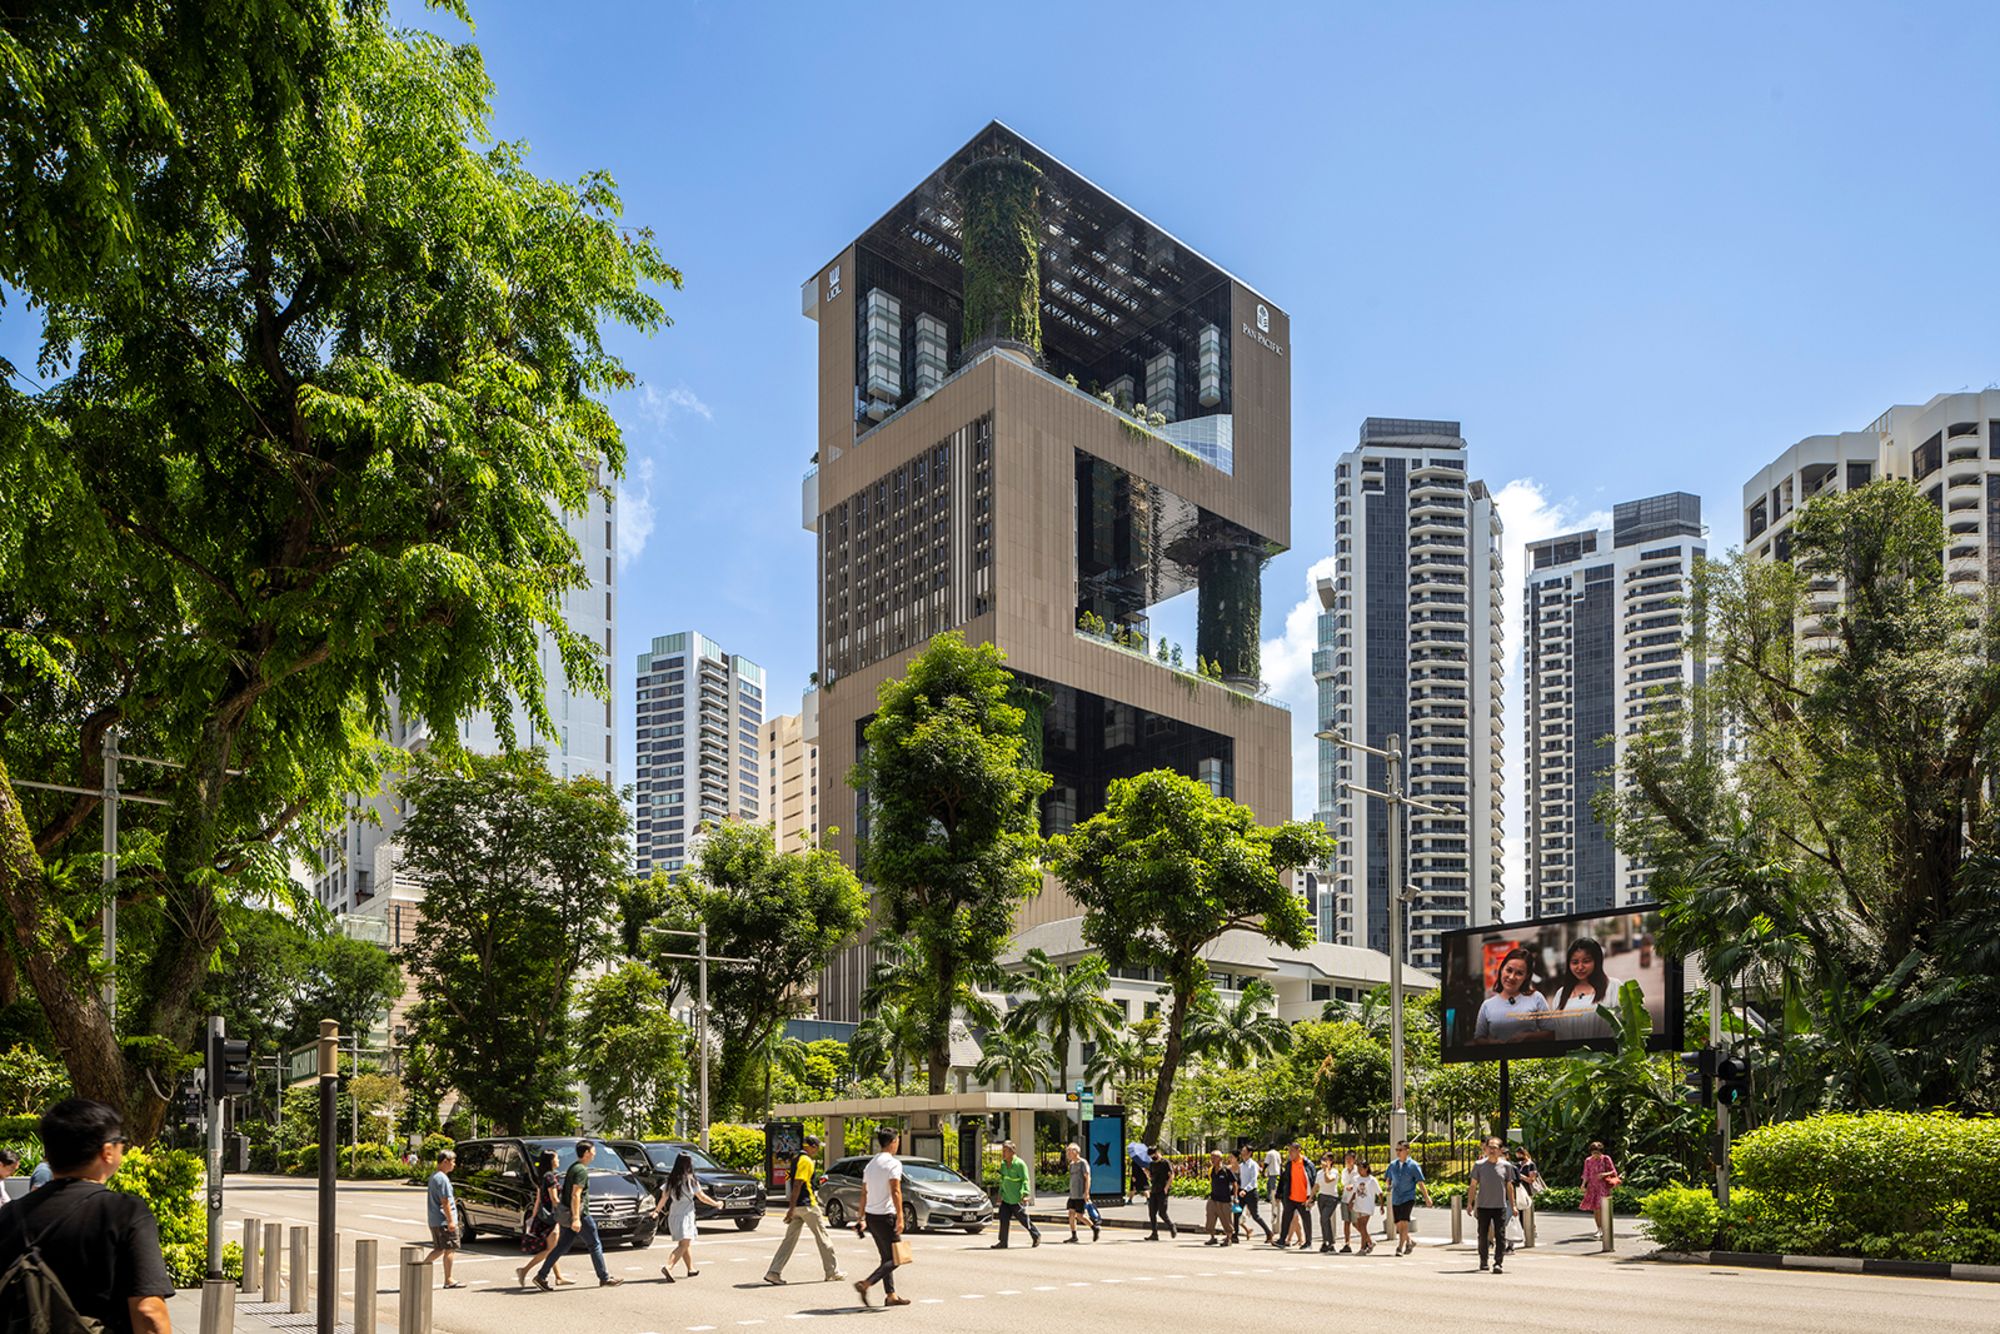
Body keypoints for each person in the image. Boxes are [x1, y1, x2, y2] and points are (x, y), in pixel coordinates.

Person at [0, 1098, 173, 1334]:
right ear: (107, 1151)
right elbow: (148, 1312)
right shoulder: (124, 1213)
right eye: (121, 1141)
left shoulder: (10, 1215)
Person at [535, 1140, 623, 1290]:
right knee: (594, 1244)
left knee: (561, 1246)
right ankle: (604, 1277)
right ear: (587, 1153)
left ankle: (541, 1276)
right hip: (580, 1215)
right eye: (593, 1151)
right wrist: (576, 1219)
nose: (595, 1153)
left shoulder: (574, 1167)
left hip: (570, 1214)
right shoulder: (580, 1170)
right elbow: (576, 1195)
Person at [765, 1133, 845, 1283]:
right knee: (823, 1238)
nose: (817, 1151)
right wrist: (791, 1207)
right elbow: (798, 1183)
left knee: (789, 1241)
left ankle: (774, 1272)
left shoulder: (795, 1159)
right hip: (807, 1205)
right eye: (816, 1148)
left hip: (798, 1207)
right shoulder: (806, 1160)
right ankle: (832, 1271)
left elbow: (792, 1182)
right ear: (812, 1147)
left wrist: (792, 1208)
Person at [852, 1126, 909, 1308]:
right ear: (893, 1142)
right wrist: (900, 1217)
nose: (898, 1144)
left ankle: (891, 1295)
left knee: (886, 1258)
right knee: (898, 1257)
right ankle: (866, 1284)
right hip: (886, 1216)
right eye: (897, 1140)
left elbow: (863, 1193)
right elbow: (896, 1190)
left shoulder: (871, 1165)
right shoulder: (893, 1163)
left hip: (871, 1216)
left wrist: (861, 1218)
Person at [656, 1151, 718, 1281]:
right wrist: (716, 1204)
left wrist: (656, 1211)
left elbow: (664, 1198)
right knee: (683, 1244)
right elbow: (702, 1197)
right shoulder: (691, 1181)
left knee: (685, 1243)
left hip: (673, 1215)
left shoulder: (671, 1180)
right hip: (686, 1216)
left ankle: (691, 1269)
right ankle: (669, 1266)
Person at [514, 1148, 572, 1288]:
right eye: (557, 1158)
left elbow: (539, 1199)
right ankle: (524, 1270)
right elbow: (554, 1199)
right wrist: (567, 1212)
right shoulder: (551, 1177)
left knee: (552, 1247)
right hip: (551, 1217)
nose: (559, 1160)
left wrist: (533, 1217)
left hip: (543, 1217)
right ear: (551, 1161)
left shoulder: (544, 1176)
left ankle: (558, 1277)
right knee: (551, 1249)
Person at [1473, 947, 1551, 1043]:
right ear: (1501, 969)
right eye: (1509, 970)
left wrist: (1527, 1036)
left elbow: (1551, 1033)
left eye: (1519, 973)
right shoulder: (1487, 1005)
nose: (1512, 977)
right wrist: (1492, 1043)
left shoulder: (1536, 998)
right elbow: (1478, 1038)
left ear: (1526, 976)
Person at [1471, 1137, 1518, 1273]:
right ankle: (1483, 1261)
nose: (1492, 1150)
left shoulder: (1506, 1166)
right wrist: (1470, 1203)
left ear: (1500, 1150)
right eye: (1489, 1147)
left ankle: (1498, 1263)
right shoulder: (1479, 1165)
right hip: (1483, 1206)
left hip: (1500, 1206)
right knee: (1483, 1235)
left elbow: (1509, 1186)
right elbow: (1473, 1185)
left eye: (1495, 1148)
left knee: (1500, 1235)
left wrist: (1513, 1205)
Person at [421, 1150, 464, 1290]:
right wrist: (451, 1221)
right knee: (450, 1248)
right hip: (443, 1221)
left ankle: (419, 1271)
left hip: (435, 1220)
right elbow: (445, 1201)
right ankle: (448, 1279)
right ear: (445, 1161)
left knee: (439, 1249)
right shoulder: (442, 1179)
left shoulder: (434, 1176)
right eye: (452, 1161)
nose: (454, 1165)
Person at [1383, 1141, 1433, 1257]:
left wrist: (1427, 1198)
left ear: (1407, 1151)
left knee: (1404, 1222)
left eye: (1400, 1150)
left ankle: (1400, 1247)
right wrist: (1388, 1185)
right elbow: (1388, 1179)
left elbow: (1420, 1182)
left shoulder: (1413, 1165)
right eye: (1397, 1150)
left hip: (1408, 1197)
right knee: (1398, 1224)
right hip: (1396, 1197)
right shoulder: (1392, 1165)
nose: (1398, 1152)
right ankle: (1410, 1241)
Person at [1553, 937, 1628, 1010]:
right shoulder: (1560, 994)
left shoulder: (1613, 986)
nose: (1580, 967)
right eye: (1575, 962)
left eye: (1586, 961)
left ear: (1597, 961)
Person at [991, 1140, 1040, 1249]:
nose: (1003, 1154)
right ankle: (1003, 1242)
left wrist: (1025, 1194)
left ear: (1012, 1151)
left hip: (1017, 1198)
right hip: (1006, 1197)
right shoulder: (1003, 1164)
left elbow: (1025, 1180)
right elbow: (1003, 1180)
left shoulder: (1020, 1164)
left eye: (1005, 1151)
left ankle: (1036, 1235)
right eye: (1002, 1151)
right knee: (1003, 1219)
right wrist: (1000, 1194)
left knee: (1023, 1219)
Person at [1275, 1143, 1315, 1250]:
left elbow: (1313, 1181)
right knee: (1286, 1219)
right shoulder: (1289, 1164)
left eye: (1292, 1151)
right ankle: (1282, 1240)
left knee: (1306, 1220)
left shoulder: (1307, 1164)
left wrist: (1311, 1198)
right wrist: (1279, 1193)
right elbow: (1283, 1180)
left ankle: (1308, 1242)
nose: (1290, 1153)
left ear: (1298, 1150)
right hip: (1291, 1197)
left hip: (1304, 1198)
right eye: (1289, 1151)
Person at [1233, 1145, 1272, 1243]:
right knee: (1237, 1213)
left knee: (1255, 1215)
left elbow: (1253, 1181)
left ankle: (1268, 1232)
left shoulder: (1253, 1165)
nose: (1242, 1153)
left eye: (1244, 1151)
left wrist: (1245, 1190)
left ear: (1250, 1153)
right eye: (1242, 1151)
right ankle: (1235, 1235)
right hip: (1241, 1192)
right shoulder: (1241, 1166)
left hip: (1250, 1193)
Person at [1063, 1143, 1099, 1242]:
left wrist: (1086, 1192)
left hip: (1080, 1194)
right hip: (1073, 1194)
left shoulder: (1083, 1163)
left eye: (1070, 1151)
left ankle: (1094, 1228)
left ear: (1076, 1152)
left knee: (1080, 1216)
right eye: (1067, 1151)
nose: (1068, 1154)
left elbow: (1087, 1178)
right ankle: (1074, 1235)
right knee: (1071, 1214)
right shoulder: (1071, 1165)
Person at [1203, 1150, 1236, 1246]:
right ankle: (1212, 1237)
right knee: (1210, 1218)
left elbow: (1234, 1183)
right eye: (1211, 1157)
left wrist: (1235, 1196)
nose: (1212, 1159)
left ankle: (1228, 1238)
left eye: (1214, 1157)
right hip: (1213, 1198)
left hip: (1225, 1200)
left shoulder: (1226, 1170)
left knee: (1226, 1220)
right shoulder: (1212, 1170)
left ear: (1220, 1159)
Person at [1581, 1141, 1620, 1216]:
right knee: (1596, 1209)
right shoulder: (1588, 1160)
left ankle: (1605, 1226)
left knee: (1604, 1208)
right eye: (1594, 1153)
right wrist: (1583, 1184)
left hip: (1603, 1187)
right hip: (1592, 1187)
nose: (1595, 1155)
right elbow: (1586, 1174)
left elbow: (1614, 1172)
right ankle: (1599, 1227)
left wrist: (1604, 1174)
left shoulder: (1606, 1159)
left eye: (1597, 1153)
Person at [1145, 1147, 1176, 1240]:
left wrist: (1166, 1187)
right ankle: (1154, 1233)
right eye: (1150, 1156)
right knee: (1152, 1213)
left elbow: (1171, 1175)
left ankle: (1171, 1226)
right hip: (1154, 1190)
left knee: (1162, 1212)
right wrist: (1146, 1173)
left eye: (1153, 1155)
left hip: (1163, 1190)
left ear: (1157, 1153)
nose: (1152, 1157)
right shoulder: (1151, 1164)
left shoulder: (1165, 1163)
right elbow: (1151, 1178)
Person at [1349, 1161, 1381, 1254]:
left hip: (1367, 1206)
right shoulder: (1356, 1179)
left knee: (1363, 1226)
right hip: (1359, 1205)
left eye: (1361, 1168)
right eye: (1358, 1168)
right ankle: (1370, 1242)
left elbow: (1379, 1193)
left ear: (1366, 1168)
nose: (1359, 1170)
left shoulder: (1372, 1180)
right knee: (1357, 1225)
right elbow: (1355, 1192)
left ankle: (1363, 1248)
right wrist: (1351, 1201)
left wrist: (1382, 1206)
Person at [1314, 1153, 1341, 1253]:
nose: (1324, 1162)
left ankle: (1331, 1242)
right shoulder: (1319, 1173)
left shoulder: (1334, 1172)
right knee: (1324, 1221)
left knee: (1324, 1218)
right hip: (1322, 1197)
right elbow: (1316, 1186)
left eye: (1326, 1160)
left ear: (1331, 1161)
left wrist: (1326, 1170)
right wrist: (1310, 1198)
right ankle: (1326, 1241)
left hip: (1331, 1198)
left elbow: (1328, 1179)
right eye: (1323, 1159)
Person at [1337, 1150, 1360, 1252]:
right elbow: (1343, 1183)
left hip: (1355, 1200)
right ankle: (1347, 1243)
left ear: (1354, 1160)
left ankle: (1367, 1239)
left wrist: (1353, 1186)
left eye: (1350, 1159)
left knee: (1356, 1223)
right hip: (1345, 1198)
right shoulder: (1344, 1171)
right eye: (1346, 1159)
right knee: (1346, 1222)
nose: (1348, 1161)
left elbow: (1360, 1184)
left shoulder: (1358, 1171)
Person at [1126, 1141, 1151, 1206]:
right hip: (1142, 1175)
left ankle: (1130, 1200)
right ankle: (1148, 1199)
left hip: (1136, 1176)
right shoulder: (1143, 1160)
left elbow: (1134, 1170)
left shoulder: (1135, 1161)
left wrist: (1133, 1176)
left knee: (1133, 1188)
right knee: (1145, 1188)